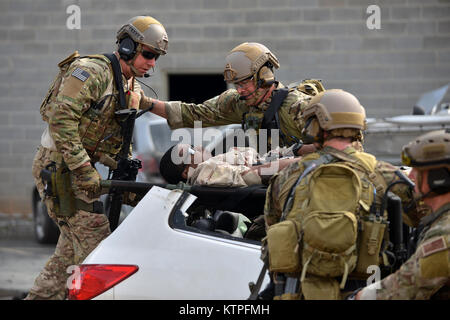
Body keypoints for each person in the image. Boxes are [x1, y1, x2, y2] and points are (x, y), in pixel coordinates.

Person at [26, 16, 168, 300]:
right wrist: (83, 169)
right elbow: (61, 119)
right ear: (128, 47)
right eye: (149, 54)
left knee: (66, 259)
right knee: (97, 244)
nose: (152, 63)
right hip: (58, 169)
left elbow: (117, 141)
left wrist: (125, 173)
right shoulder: (91, 72)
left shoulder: (131, 88)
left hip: (78, 172)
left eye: (157, 58)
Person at [261, 89, 414, 300]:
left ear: (316, 125)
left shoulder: (287, 176)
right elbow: (422, 216)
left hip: (299, 292)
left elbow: (272, 235)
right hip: (364, 289)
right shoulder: (384, 175)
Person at [139, 42, 322, 155]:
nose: (240, 90)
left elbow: (334, 146)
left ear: (265, 76)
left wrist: (292, 153)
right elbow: (194, 114)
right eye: (237, 85)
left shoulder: (298, 107)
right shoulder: (239, 103)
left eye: (244, 83)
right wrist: (145, 103)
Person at [353, 129, 450, 300]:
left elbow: (406, 287)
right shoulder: (438, 218)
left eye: (418, 171)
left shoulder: (444, 233)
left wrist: (358, 297)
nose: (410, 176)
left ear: (439, 178)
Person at [159, 143, 301, 187]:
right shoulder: (204, 173)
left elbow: (263, 162)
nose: (198, 147)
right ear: (186, 172)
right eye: (191, 150)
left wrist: (296, 150)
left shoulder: (216, 164)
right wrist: (307, 161)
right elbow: (255, 173)